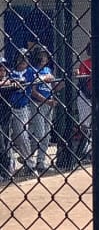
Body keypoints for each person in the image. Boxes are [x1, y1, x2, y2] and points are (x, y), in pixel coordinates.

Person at [27, 45, 58, 174]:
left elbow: (54, 87)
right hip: (37, 104)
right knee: (40, 134)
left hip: (48, 105)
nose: (44, 57)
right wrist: (47, 101)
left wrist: (63, 81)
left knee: (46, 135)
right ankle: (28, 156)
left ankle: (40, 162)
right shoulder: (32, 70)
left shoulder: (47, 69)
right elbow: (32, 92)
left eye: (45, 55)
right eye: (42, 55)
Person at [8, 50, 34, 176]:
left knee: (22, 137)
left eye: (26, 58)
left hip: (22, 108)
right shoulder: (11, 72)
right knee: (7, 139)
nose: (24, 60)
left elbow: (43, 77)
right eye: (21, 58)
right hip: (8, 109)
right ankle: (9, 166)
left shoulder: (30, 72)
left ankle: (29, 164)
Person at [0, 57, 24, 183]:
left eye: (4, 69)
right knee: (1, 146)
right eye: (0, 69)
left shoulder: (9, 81)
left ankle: (6, 172)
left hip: (5, 119)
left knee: (6, 145)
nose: (2, 71)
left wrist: (14, 83)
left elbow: (21, 82)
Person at [75, 42, 93, 157]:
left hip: (98, 96)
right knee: (85, 124)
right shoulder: (85, 63)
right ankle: (83, 149)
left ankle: (91, 148)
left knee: (96, 123)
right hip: (85, 97)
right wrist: (90, 96)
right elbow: (82, 83)